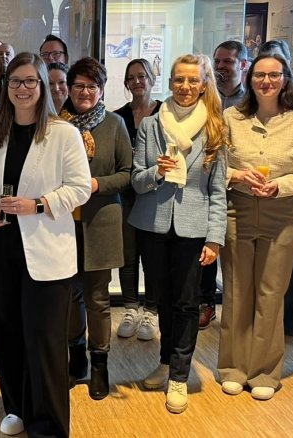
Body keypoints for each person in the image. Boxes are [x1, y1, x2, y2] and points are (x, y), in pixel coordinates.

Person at [0, 52, 90, 438]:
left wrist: (37, 204)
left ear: (42, 86)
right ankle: (16, 407)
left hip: (45, 251)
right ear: (6, 87)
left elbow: (80, 188)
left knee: (44, 342)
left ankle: (48, 425)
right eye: (15, 81)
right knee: (6, 336)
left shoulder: (63, 133)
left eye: (30, 81)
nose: (23, 88)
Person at [217, 53, 293, 401]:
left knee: (271, 293)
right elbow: (213, 165)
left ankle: (264, 371)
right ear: (249, 78)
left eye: (274, 75)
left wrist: (281, 185)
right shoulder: (231, 117)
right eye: (260, 75)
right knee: (236, 291)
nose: (266, 81)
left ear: (285, 79)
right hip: (238, 211)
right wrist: (236, 175)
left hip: (282, 215)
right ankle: (233, 368)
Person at [129, 54, 227, 413]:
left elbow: (218, 190)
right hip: (153, 224)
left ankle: (180, 376)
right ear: (169, 83)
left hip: (193, 227)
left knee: (187, 302)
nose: (185, 87)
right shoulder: (150, 125)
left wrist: (215, 238)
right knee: (162, 298)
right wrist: (156, 172)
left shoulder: (215, 128)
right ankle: (166, 361)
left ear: (203, 84)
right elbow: (136, 181)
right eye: (178, 80)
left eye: (192, 80)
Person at [60, 57, 132, 401]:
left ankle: (100, 363)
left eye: (92, 86)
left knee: (98, 298)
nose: (85, 92)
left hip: (100, 222)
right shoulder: (56, 125)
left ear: (101, 90)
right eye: (79, 85)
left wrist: (96, 184)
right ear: (69, 88)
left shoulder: (115, 124)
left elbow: (127, 174)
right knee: (69, 296)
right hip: (61, 225)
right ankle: (76, 358)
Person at [197, 41, 251, 331]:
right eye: (217, 61)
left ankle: (238, 312)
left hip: (242, 191)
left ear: (243, 65)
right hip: (207, 185)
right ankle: (206, 302)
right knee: (206, 246)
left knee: (236, 259)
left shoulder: (250, 102)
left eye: (227, 61)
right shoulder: (205, 99)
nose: (220, 67)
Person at [112, 58, 162, 340]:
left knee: (153, 256)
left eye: (142, 76)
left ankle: (151, 311)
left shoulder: (165, 112)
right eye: (131, 78)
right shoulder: (118, 116)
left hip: (157, 194)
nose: (137, 81)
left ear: (151, 78)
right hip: (127, 195)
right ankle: (130, 308)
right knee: (128, 255)